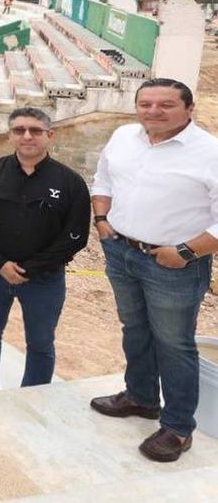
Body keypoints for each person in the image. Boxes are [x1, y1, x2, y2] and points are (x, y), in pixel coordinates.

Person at [89, 79, 218, 463]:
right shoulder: (124, 136)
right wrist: (101, 220)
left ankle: (178, 427)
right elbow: (104, 178)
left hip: (174, 264)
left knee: (174, 344)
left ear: (189, 109)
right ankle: (141, 397)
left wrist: (183, 251)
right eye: (145, 103)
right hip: (122, 251)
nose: (153, 111)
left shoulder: (209, 152)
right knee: (135, 329)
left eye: (166, 104)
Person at [0, 108, 90, 395]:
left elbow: (75, 237)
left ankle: (33, 396)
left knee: (40, 342)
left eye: (35, 130)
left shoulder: (70, 182)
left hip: (44, 280)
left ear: (50, 135)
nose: (27, 136)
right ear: (10, 135)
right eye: (19, 130)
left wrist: (30, 268)